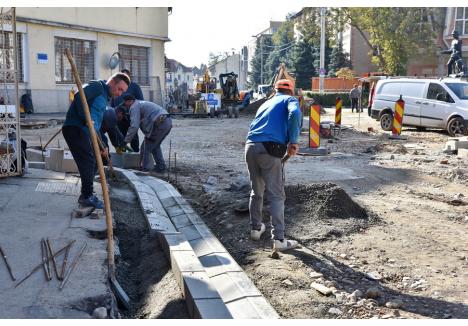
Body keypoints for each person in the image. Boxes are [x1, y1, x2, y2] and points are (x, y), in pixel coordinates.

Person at [245, 79, 301, 252]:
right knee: (276, 195)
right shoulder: (290, 100)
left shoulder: (266, 103)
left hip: (250, 146)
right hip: (270, 149)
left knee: (257, 191)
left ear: (275, 90)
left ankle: (256, 229)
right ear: (291, 91)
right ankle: (279, 239)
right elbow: (295, 114)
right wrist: (294, 141)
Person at [62, 73, 129, 209]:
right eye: (119, 89)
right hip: (76, 128)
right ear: (112, 83)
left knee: (95, 163)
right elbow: (79, 95)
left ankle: (87, 192)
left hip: (86, 132)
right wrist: (84, 118)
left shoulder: (104, 98)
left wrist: (102, 145)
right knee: (89, 161)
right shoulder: (98, 87)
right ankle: (86, 196)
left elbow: (96, 125)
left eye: (123, 91)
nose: (120, 94)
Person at [122, 95, 172, 173]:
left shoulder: (134, 106)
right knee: (154, 146)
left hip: (160, 123)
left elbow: (134, 126)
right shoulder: (140, 104)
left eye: (125, 102)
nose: (125, 105)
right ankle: (161, 167)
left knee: (146, 147)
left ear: (129, 101)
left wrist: (126, 141)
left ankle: (144, 170)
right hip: (167, 122)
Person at [111, 69, 144, 152]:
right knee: (119, 136)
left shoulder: (135, 87)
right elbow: (112, 100)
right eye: (122, 76)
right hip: (118, 116)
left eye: (126, 76)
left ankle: (136, 155)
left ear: (129, 77)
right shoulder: (116, 86)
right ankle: (122, 156)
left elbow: (140, 101)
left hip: (130, 116)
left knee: (133, 137)